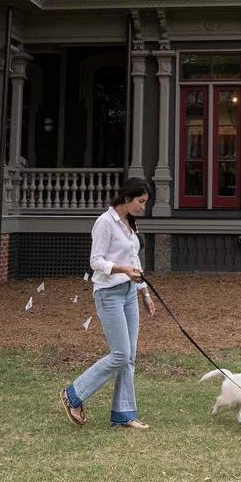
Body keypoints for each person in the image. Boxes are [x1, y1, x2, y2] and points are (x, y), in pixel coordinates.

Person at [61, 177, 156, 429]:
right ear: (127, 198)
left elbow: (134, 260)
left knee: (129, 356)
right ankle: (73, 394)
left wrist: (144, 292)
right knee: (121, 353)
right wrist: (122, 269)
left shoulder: (129, 222)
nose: (143, 207)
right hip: (108, 294)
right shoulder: (105, 222)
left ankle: (123, 415)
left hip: (129, 293)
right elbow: (96, 261)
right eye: (141, 201)